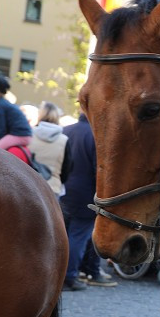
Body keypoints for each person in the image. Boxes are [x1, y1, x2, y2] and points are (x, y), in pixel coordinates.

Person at [60, 112, 99, 291]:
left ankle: (58, 274)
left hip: (64, 188)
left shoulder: (65, 130)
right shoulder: (95, 135)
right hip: (85, 193)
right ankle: (69, 276)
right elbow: (97, 169)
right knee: (78, 236)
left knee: (62, 234)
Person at [0, 73, 34, 164]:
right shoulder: (1, 103)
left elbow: (1, 129)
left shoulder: (0, 105)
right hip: (21, 134)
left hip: (20, 134)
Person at [30, 101, 68, 195]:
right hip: (51, 189)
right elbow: (67, 169)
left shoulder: (29, 134)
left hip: (28, 185)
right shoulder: (64, 140)